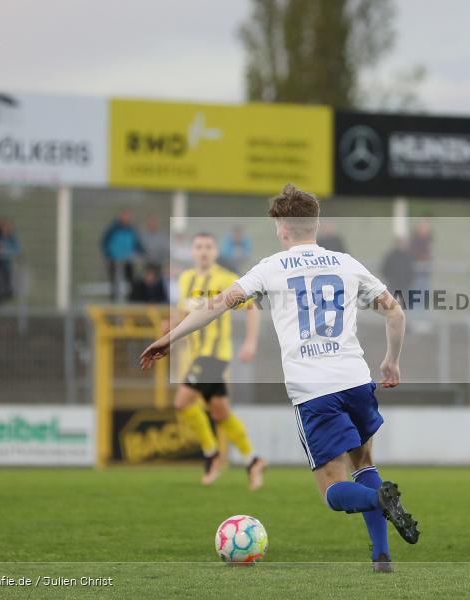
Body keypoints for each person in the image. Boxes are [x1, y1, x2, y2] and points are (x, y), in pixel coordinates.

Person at [140, 184, 419, 573]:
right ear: (316, 225)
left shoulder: (271, 267)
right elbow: (396, 313)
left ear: (282, 229)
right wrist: (392, 361)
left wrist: (170, 338)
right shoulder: (346, 262)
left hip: (314, 389)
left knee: (333, 490)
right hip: (356, 379)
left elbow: (216, 305)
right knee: (364, 461)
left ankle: (378, 502)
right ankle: (381, 557)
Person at [170, 233, 266, 490]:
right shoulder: (186, 278)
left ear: (215, 252)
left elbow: (251, 307)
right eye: (198, 246)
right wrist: (168, 332)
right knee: (220, 413)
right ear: (192, 251)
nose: (203, 251)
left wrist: (250, 342)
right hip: (194, 356)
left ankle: (211, 454)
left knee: (181, 402)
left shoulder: (225, 279)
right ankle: (252, 460)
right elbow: (181, 313)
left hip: (214, 356)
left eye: (208, 246)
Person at [102, 209, 143, 301]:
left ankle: (130, 302)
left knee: (130, 283)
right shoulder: (113, 229)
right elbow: (105, 243)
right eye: (124, 216)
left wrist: (140, 253)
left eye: (127, 216)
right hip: (115, 261)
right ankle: (114, 304)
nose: (126, 218)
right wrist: (108, 257)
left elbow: (137, 244)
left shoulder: (131, 230)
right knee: (115, 284)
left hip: (128, 261)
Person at [380, 237, 415, 309]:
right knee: (392, 307)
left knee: (403, 306)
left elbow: (411, 271)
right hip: (393, 286)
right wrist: (390, 279)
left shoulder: (407, 256)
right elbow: (385, 269)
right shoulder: (390, 256)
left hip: (405, 286)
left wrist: (409, 281)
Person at [0, 219, 20, 302]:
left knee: (10, 270)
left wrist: (4, 251)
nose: (5, 229)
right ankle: (1, 293)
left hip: (9, 262)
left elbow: (17, 250)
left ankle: (9, 291)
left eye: (7, 227)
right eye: (4, 227)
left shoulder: (12, 238)